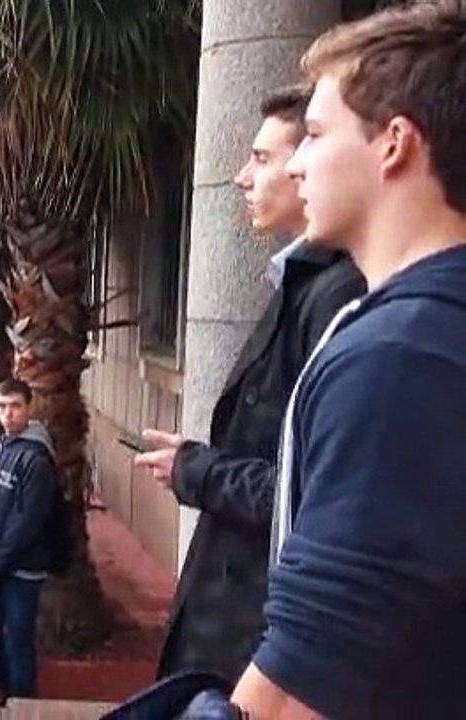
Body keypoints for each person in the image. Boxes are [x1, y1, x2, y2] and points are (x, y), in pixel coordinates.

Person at [226, 7, 466, 717]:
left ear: (394, 144)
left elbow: (304, 687)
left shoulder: (401, 357)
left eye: (319, 135)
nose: (298, 161)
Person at [132, 85, 366, 684]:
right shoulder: (303, 283)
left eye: (263, 158)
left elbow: (308, 491)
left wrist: (198, 470)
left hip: (254, 639)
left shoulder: (342, 295)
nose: (242, 177)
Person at [0, 379, 56, 701]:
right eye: (2, 406)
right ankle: (10, 695)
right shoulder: (2, 446)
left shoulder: (37, 460)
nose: (8, 414)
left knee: (19, 642)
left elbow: (25, 524)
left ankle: (22, 703)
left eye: (15, 406)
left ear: (29, 408)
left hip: (22, 571)